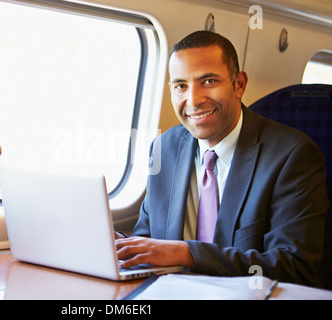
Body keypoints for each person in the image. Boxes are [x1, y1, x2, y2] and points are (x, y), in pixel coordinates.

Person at [115, 30, 329, 287]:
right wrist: (118, 247)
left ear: (239, 85)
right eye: (181, 85)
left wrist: (189, 253)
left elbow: (293, 267)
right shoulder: (164, 148)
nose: (193, 100)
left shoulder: (292, 156)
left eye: (208, 82)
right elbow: (148, 241)